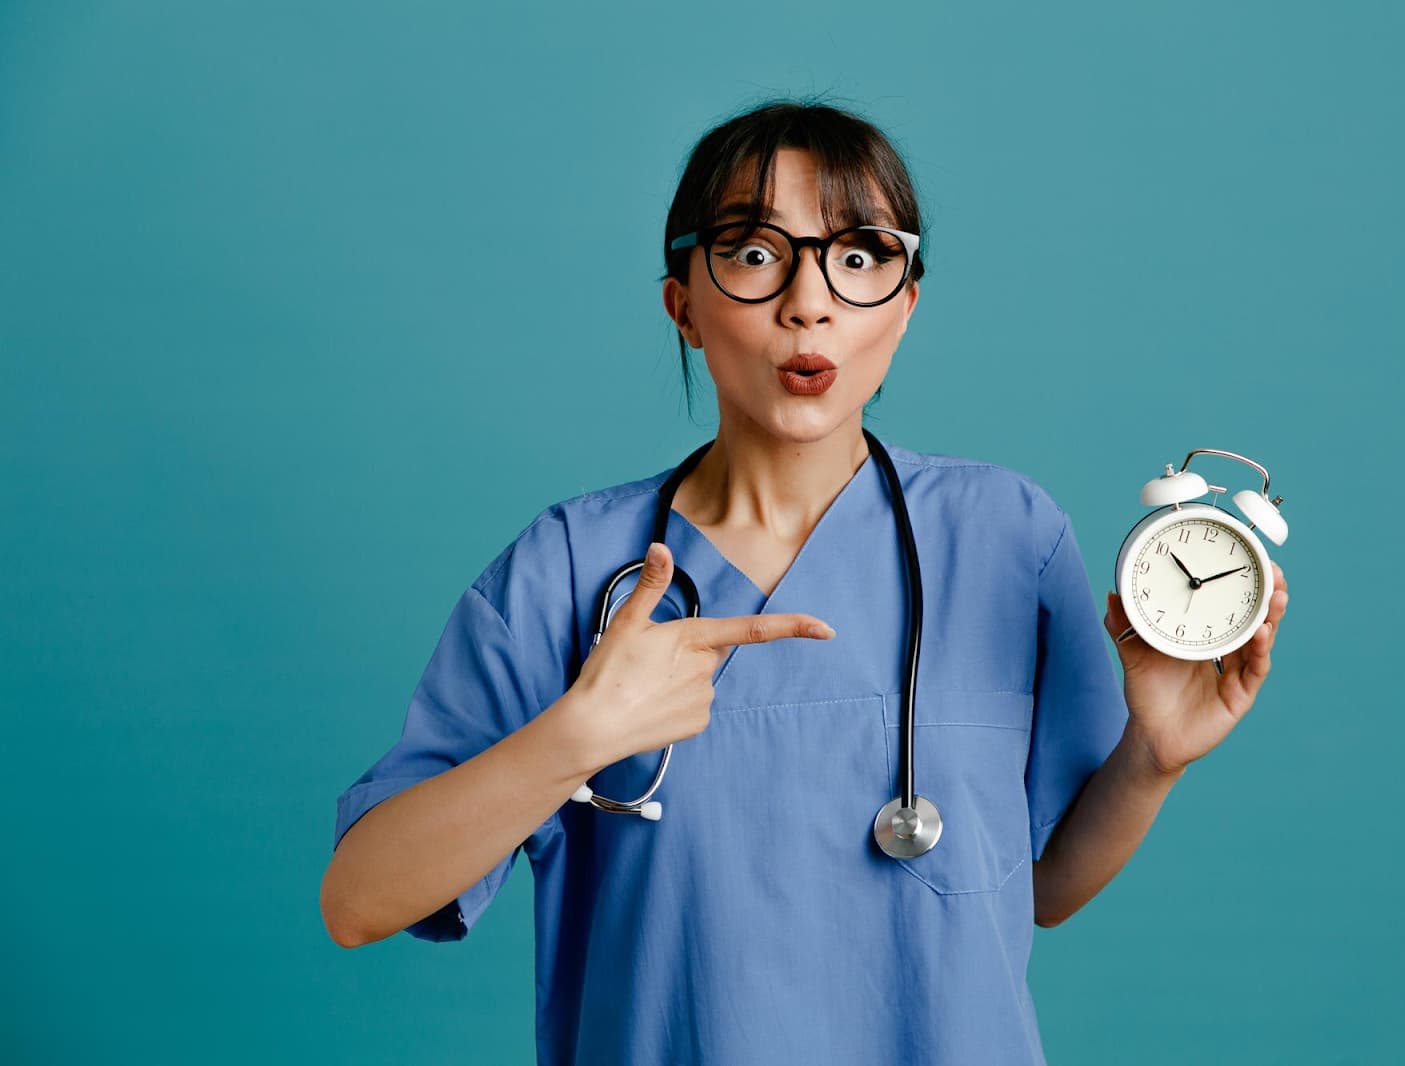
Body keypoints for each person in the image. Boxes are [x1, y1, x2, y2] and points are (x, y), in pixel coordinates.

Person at [320, 99, 1290, 1065]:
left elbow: (1036, 888)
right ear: (682, 304)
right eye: (752, 251)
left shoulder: (1005, 535)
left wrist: (1153, 758)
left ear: (906, 303)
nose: (808, 301)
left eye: (859, 255)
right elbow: (359, 901)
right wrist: (576, 735)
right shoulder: (571, 568)